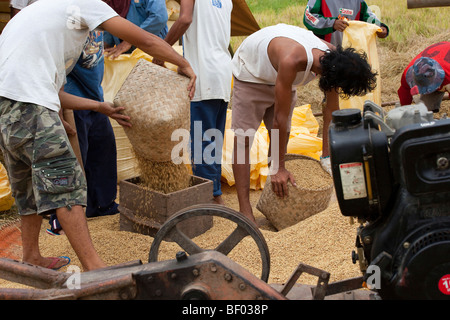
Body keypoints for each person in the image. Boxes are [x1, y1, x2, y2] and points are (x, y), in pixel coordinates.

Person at [0, 0, 195, 271]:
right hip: (30, 106)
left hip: (7, 108)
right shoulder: (83, 3)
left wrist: (99, 107)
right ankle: (95, 269)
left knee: (27, 187)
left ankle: (31, 255)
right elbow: (146, 39)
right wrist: (182, 62)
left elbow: (53, 92)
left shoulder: (41, 14)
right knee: (67, 182)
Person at [230, 23, 377, 223]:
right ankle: (245, 211)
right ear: (331, 77)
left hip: (281, 75)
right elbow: (278, 120)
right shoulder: (293, 60)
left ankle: (274, 199)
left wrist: (327, 155)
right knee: (243, 140)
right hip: (252, 72)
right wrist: (280, 168)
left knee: (282, 136)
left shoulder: (334, 59)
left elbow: (331, 111)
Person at [155, 0, 233, 205]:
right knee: (214, 138)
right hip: (223, 73)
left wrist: (161, 49)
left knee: (201, 141)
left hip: (203, 74)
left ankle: (210, 197)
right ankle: (214, 192)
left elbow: (185, 19)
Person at [303, 0, 389, 46]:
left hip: (351, 52)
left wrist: (380, 27)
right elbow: (309, 17)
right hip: (325, 51)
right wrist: (332, 23)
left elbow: (369, 17)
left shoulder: (359, 1)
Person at [103, 0, 169, 59]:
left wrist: (130, 41)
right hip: (124, 53)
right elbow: (110, 19)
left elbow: (159, 18)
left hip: (151, 51)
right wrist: (105, 44)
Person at [398, 41, 450, 113]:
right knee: (424, 109)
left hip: (446, 66)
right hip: (440, 53)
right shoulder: (409, 73)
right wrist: (405, 112)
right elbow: (404, 92)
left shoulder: (448, 73)